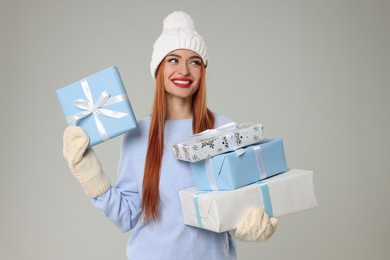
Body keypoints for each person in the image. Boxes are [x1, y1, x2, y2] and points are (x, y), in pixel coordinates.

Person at [62, 11, 277, 260]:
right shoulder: (138, 135)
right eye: (173, 60)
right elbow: (125, 216)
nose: (184, 70)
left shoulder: (226, 130)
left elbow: (243, 204)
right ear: (158, 69)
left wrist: (252, 223)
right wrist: (90, 175)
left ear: (203, 71)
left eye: (194, 61)